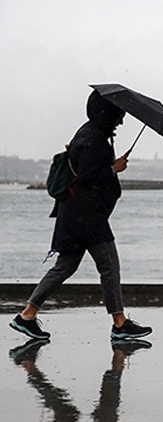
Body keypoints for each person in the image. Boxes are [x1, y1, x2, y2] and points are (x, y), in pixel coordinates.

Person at [9, 90, 152, 341]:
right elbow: (89, 176)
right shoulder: (94, 138)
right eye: (119, 115)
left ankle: (27, 315)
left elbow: (87, 171)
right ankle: (119, 323)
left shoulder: (87, 134)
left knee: (64, 267)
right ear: (108, 112)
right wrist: (113, 168)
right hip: (87, 217)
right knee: (109, 266)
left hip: (74, 214)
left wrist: (110, 166)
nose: (121, 120)